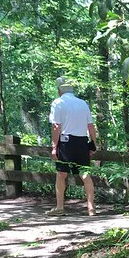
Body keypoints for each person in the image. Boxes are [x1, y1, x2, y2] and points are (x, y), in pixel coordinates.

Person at [47, 76, 98, 216]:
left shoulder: (58, 103)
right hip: (82, 142)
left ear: (59, 90)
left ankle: (59, 207)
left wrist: (54, 147)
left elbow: (56, 126)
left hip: (65, 142)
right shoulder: (83, 103)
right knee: (85, 174)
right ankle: (91, 208)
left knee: (61, 174)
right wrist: (93, 144)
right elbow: (91, 126)